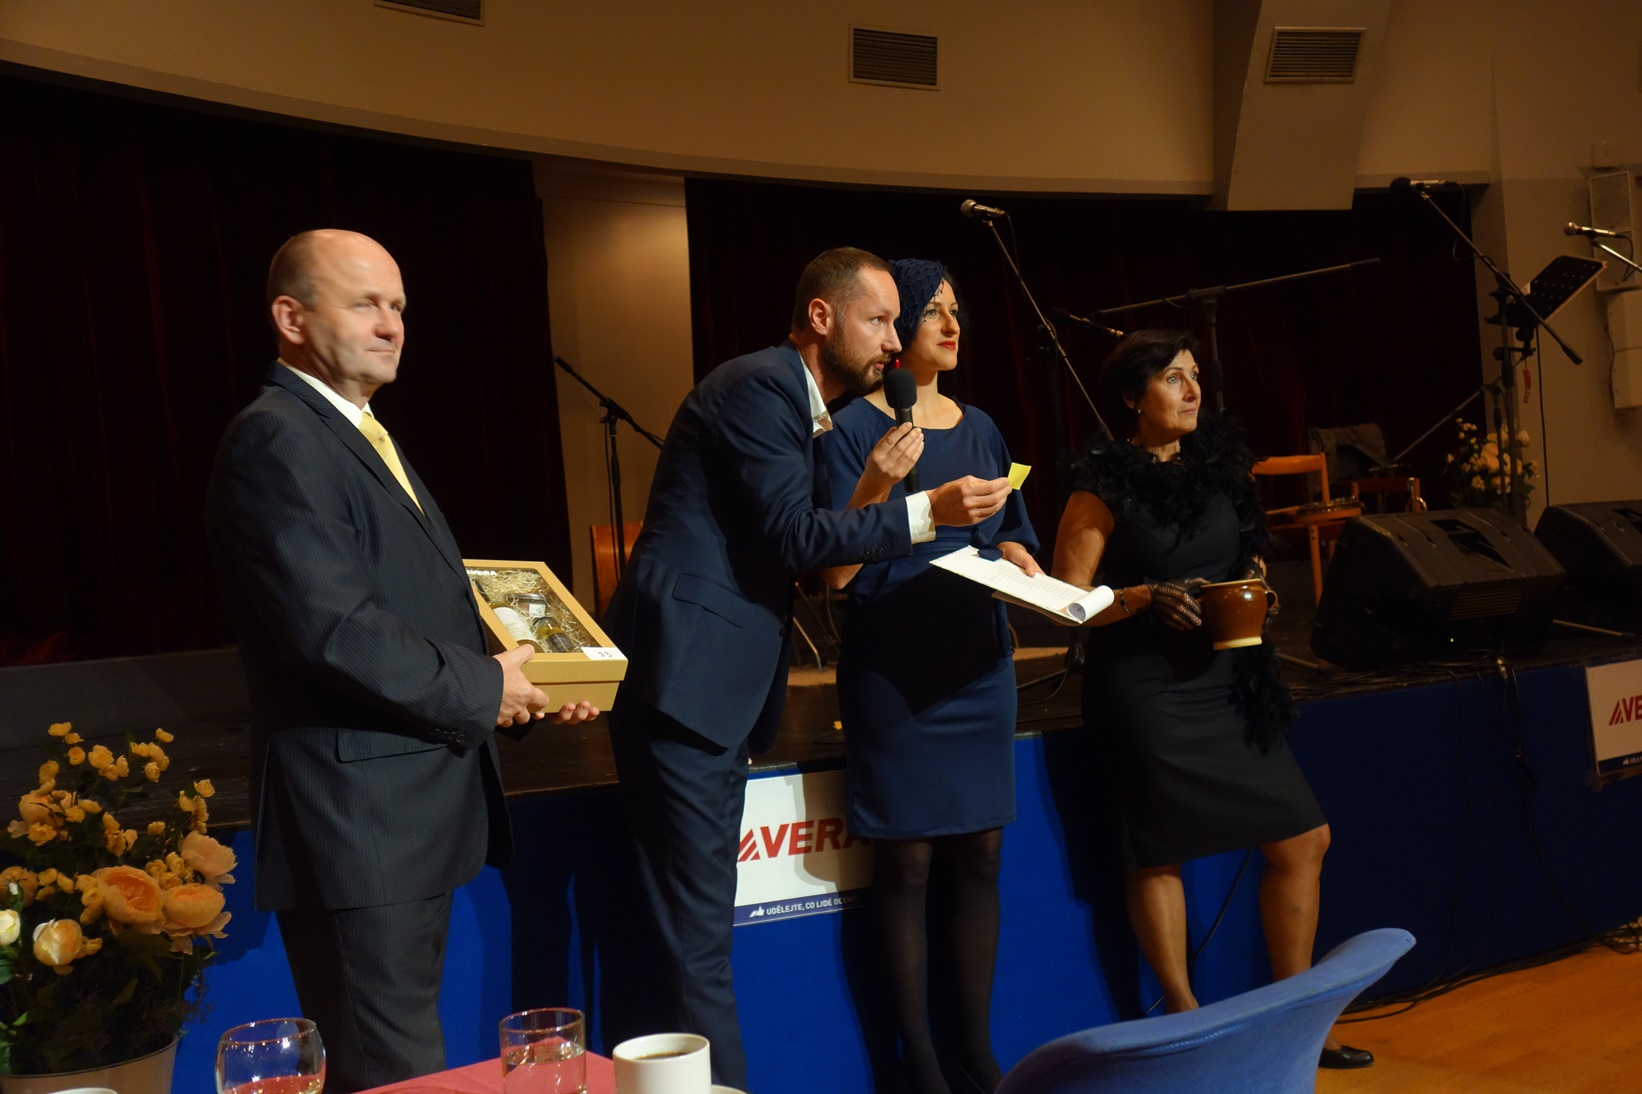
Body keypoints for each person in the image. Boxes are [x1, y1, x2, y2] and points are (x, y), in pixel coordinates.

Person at [602, 247, 1014, 1088]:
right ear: (822, 318)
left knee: (695, 937)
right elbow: (798, 538)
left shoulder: (801, 402)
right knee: (697, 943)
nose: (894, 341)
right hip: (686, 684)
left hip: (711, 692)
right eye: (880, 320)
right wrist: (924, 510)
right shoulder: (762, 386)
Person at [205, 229, 597, 1092]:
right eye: (365, 305)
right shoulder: (278, 439)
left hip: (403, 814)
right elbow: (334, 631)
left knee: (400, 1067)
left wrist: (523, 685)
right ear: (291, 319)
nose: (392, 326)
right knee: (393, 1074)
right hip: (359, 825)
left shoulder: (355, 433)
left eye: (399, 307)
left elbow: (411, 611)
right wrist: (487, 686)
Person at [1050, 329, 1372, 1070]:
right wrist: (1141, 596)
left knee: (1305, 839)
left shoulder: (1222, 467)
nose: (1193, 390)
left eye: (1195, 375)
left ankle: (1294, 1018)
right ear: (1132, 397)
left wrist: (1254, 583)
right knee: (1155, 852)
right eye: (1172, 377)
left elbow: (1242, 553)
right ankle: (1185, 1021)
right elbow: (1065, 602)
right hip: (1145, 691)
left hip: (1229, 681)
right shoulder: (1101, 483)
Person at [818, 259, 1037, 1094]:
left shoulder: (981, 425)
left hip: (977, 664)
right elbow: (834, 568)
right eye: (933, 311)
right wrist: (879, 478)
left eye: (956, 310)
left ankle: (975, 1052)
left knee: (981, 855)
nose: (952, 325)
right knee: (906, 864)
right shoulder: (848, 430)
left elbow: (1011, 531)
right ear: (895, 328)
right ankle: (919, 1063)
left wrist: (1022, 560)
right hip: (896, 674)